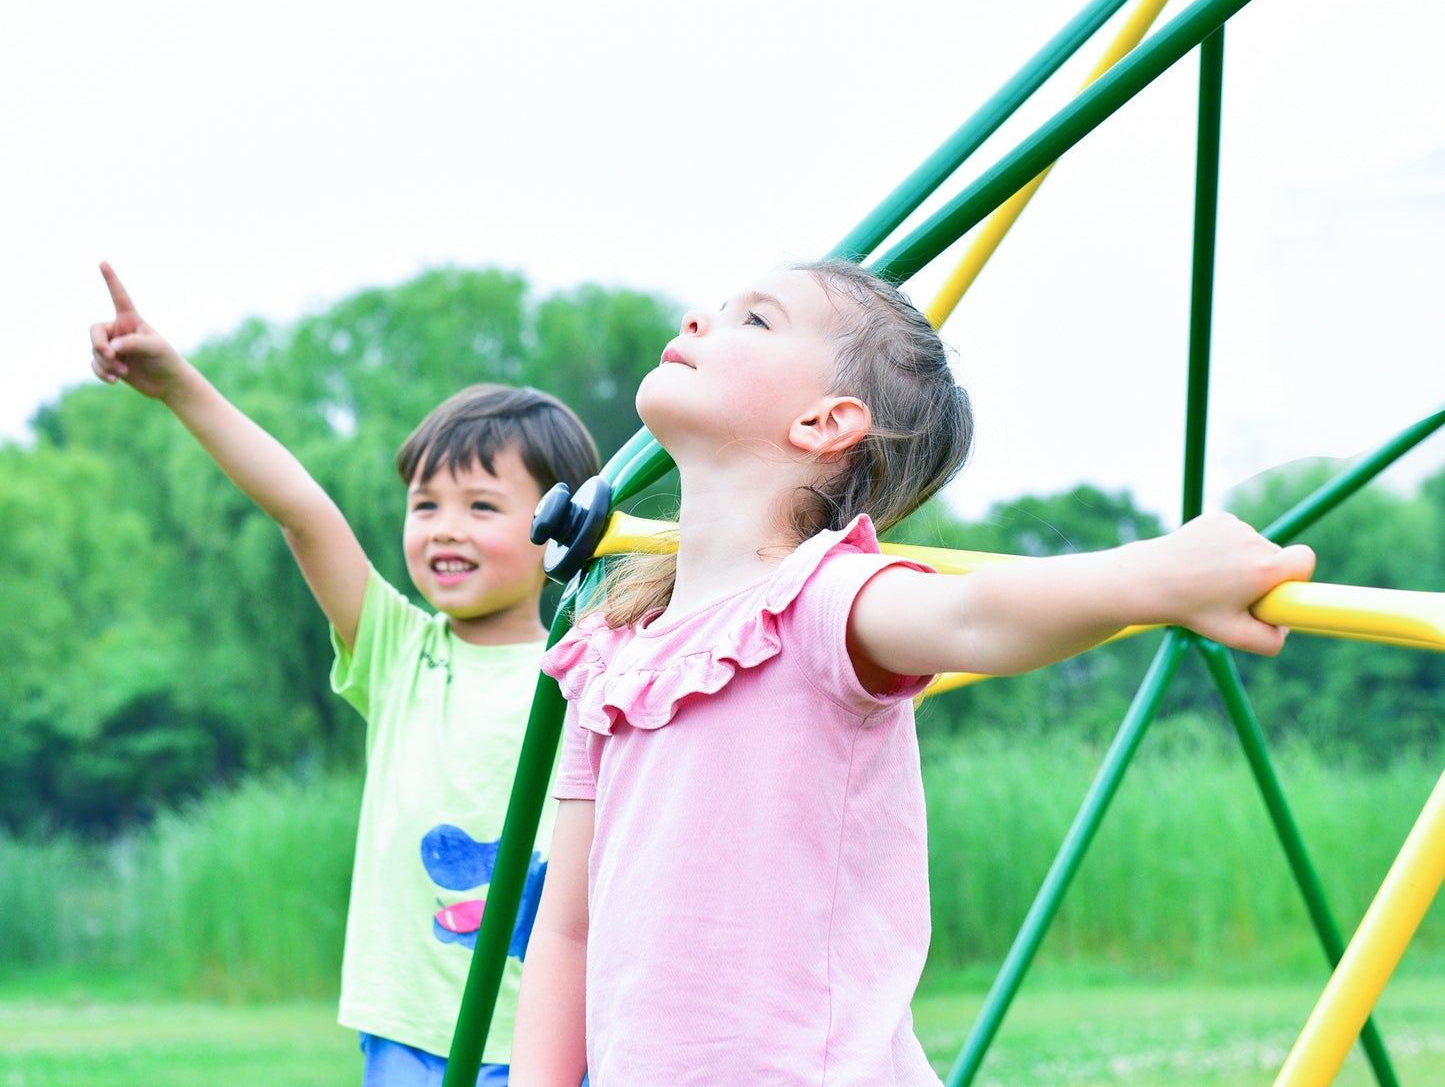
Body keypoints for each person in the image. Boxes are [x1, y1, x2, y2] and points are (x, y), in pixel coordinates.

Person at [508, 255, 1315, 1086]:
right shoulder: (612, 650)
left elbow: (973, 617)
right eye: (718, 308)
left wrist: (1160, 575)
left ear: (826, 421)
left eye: (754, 319)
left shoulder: (820, 601)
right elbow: (568, 929)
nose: (695, 322)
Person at [89, 261, 601, 1087]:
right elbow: (300, 507)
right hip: (402, 1027)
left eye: (480, 505)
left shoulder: (584, 666)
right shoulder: (403, 650)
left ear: (557, 522)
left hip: (535, 1035)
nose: (444, 528)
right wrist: (179, 385)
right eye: (425, 504)